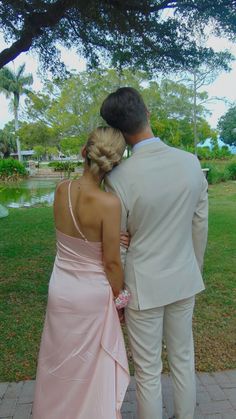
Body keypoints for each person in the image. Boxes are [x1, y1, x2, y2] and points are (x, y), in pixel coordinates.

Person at [100, 87, 208, 419]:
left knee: (147, 370)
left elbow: (118, 243)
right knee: (183, 359)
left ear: (117, 131)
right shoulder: (190, 163)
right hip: (184, 277)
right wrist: (194, 268)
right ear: (147, 112)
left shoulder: (118, 177)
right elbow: (199, 224)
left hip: (142, 285)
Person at [32, 127, 130, 419]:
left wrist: (112, 236)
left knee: (58, 363)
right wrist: (120, 300)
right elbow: (111, 263)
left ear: (84, 152)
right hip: (91, 297)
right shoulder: (109, 204)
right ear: (114, 163)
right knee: (90, 370)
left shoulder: (62, 189)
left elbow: (72, 238)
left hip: (60, 289)